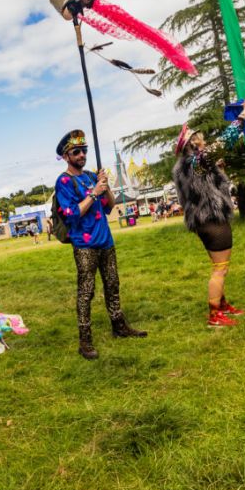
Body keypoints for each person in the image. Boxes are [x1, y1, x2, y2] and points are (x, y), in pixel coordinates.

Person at [55, 130, 147, 360]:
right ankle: (85, 341)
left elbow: (109, 207)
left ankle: (119, 326)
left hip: (105, 240)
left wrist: (106, 187)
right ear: (66, 156)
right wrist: (94, 193)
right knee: (86, 291)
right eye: (76, 152)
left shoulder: (89, 176)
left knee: (113, 283)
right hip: (84, 245)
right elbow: (71, 214)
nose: (82, 154)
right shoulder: (64, 181)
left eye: (84, 150)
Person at [173, 98, 245, 328]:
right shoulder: (198, 161)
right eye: (200, 139)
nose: (204, 140)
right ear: (194, 143)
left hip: (201, 222)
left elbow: (201, 185)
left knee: (218, 266)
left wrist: (216, 171)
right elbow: (225, 140)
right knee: (220, 269)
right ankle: (215, 315)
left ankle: (222, 304)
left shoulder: (186, 166)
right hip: (212, 220)